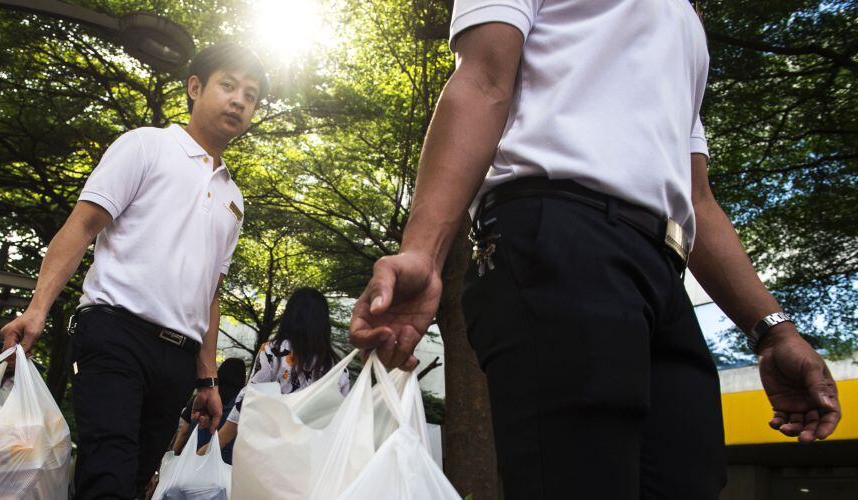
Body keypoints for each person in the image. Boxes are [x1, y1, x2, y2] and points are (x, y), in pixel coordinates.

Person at [348, 1, 842, 499]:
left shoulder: (685, 20)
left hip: (663, 271)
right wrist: (422, 254)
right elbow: (483, 81)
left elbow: (696, 197)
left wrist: (773, 332)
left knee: (690, 478)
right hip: (558, 234)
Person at [0, 43, 268, 498]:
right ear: (195, 87)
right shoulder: (145, 145)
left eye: (252, 94)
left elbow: (210, 293)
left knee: (139, 477)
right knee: (108, 470)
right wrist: (37, 309)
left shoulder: (234, 200)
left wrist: (208, 379)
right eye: (228, 85)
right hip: (113, 333)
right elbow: (81, 226)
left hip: (178, 358)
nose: (240, 100)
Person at [217, 288, 350, 447]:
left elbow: (250, 399)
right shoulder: (339, 369)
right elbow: (340, 418)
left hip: (269, 447)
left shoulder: (272, 352)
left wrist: (220, 441)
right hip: (312, 452)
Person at [171, 357, 246, 462]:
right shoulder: (242, 405)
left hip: (191, 459)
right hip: (222, 466)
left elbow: (184, 432)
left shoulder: (203, 397)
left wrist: (173, 457)